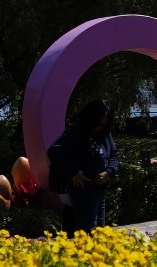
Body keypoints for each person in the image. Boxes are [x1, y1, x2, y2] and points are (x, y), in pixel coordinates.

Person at [47, 99, 120, 233]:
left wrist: (109, 172)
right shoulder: (76, 131)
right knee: (87, 231)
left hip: (100, 187)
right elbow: (54, 151)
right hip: (84, 188)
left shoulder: (104, 133)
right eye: (97, 124)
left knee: (100, 231)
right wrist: (73, 172)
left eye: (103, 125)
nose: (98, 128)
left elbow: (114, 155)